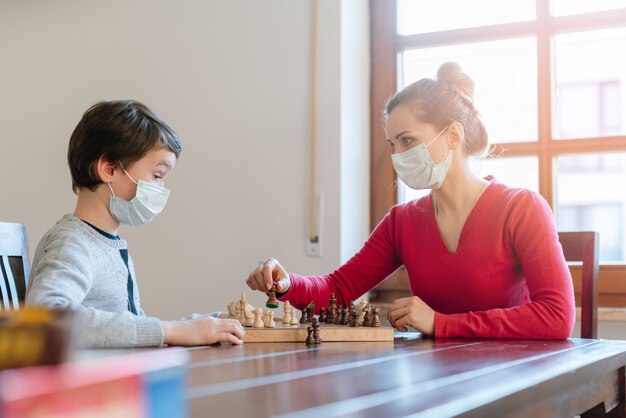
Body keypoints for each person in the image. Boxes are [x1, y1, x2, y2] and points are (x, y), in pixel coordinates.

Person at [246, 62, 575, 339]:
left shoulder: (521, 208)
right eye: (392, 145)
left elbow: (557, 317)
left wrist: (440, 323)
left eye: (407, 141)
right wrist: (288, 283)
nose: (398, 156)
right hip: (439, 382)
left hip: (513, 386)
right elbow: (338, 288)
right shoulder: (401, 222)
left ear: (453, 135)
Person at [26, 100, 244, 347]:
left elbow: (128, 329)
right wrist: (169, 331)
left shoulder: (108, 244)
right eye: (157, 175)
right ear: (108, 169)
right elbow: (46, 320)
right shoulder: (71, 243)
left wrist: (205, 323)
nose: (161, 188)